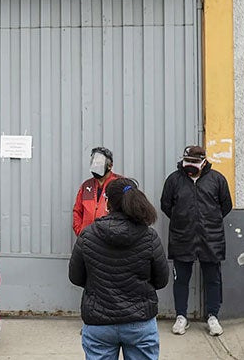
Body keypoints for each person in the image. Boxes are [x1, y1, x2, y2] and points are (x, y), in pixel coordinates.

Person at [69, 178, 169, 360]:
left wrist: (98, 284)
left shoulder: (88, 234)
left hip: (99, 322)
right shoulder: (149, 237)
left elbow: (75, 277)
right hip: (140, 322)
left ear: (107, 203)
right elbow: (161, 280)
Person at [160, 145, 231, 336]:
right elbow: (166, 205)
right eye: (187, 161)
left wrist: (210, 221)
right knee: (181, 279)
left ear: (204, 161)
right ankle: (181, 317)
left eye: (194, 162)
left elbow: (226, 205)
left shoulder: (217, 179)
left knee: (213, 279)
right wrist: (182, 219)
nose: (189, 165)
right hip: (182, 237)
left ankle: (213, 317)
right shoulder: (174, 180)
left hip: (211, 237)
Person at [72, 146, 121, 236]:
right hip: (88, 240)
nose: (96, 166)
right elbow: (77, 211)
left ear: (110, 166)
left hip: (111, 242)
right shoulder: (86, 186)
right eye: (94, 163)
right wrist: (80, 232)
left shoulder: (119, 184)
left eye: (99, 163)